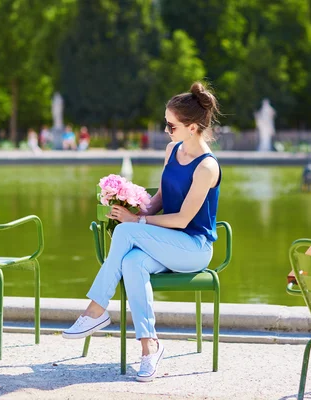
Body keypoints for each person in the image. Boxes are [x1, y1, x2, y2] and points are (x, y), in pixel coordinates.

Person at [62, 82, 222, 382]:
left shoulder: (207, 167)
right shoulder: (173, 150)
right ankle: (150, 349)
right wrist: (142, 211)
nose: (167, 131)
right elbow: (163, 195)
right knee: (131, 262)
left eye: (171, 126)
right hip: (167, 243)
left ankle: (96, 310)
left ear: (191, 127)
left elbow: (184, 218)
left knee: (125, 233)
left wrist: (137, 224)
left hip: (193, 249)